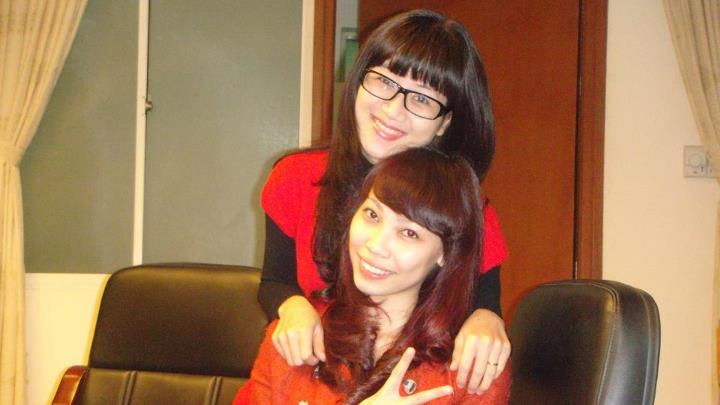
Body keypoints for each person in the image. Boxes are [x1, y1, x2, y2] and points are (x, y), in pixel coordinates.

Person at [258, 9, 510, 393]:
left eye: (422, 99)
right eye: (383, 81)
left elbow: (484, 303)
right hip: (311, 377)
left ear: (445, 122)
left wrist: (487, 319)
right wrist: (292, 306)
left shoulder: (465, 209)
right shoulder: (295, 178)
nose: (392, 110)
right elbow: (274, 282)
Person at [237, 148, 511, 404]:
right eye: (372, 215)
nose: (376, 245)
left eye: (409, 233)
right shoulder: (294, 336)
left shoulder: (474, 367)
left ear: (446, 253)